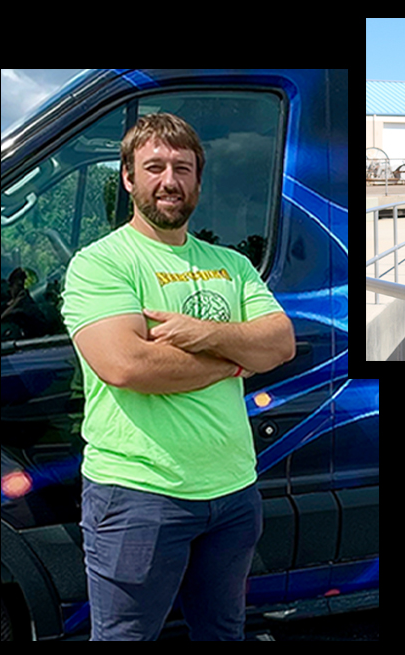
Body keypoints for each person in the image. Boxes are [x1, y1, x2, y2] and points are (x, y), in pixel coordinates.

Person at [62, 112, 296, 639]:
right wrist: (238, 356)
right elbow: (126, 365)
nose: (170, 181)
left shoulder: (231, 264)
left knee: (223, 633)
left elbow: (279, 343)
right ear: (128, 178)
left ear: (197, 179)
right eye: (155, 167)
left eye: (183, 168)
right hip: (139, 495)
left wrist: (202, 333)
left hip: (234, 493)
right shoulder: (102, 263)